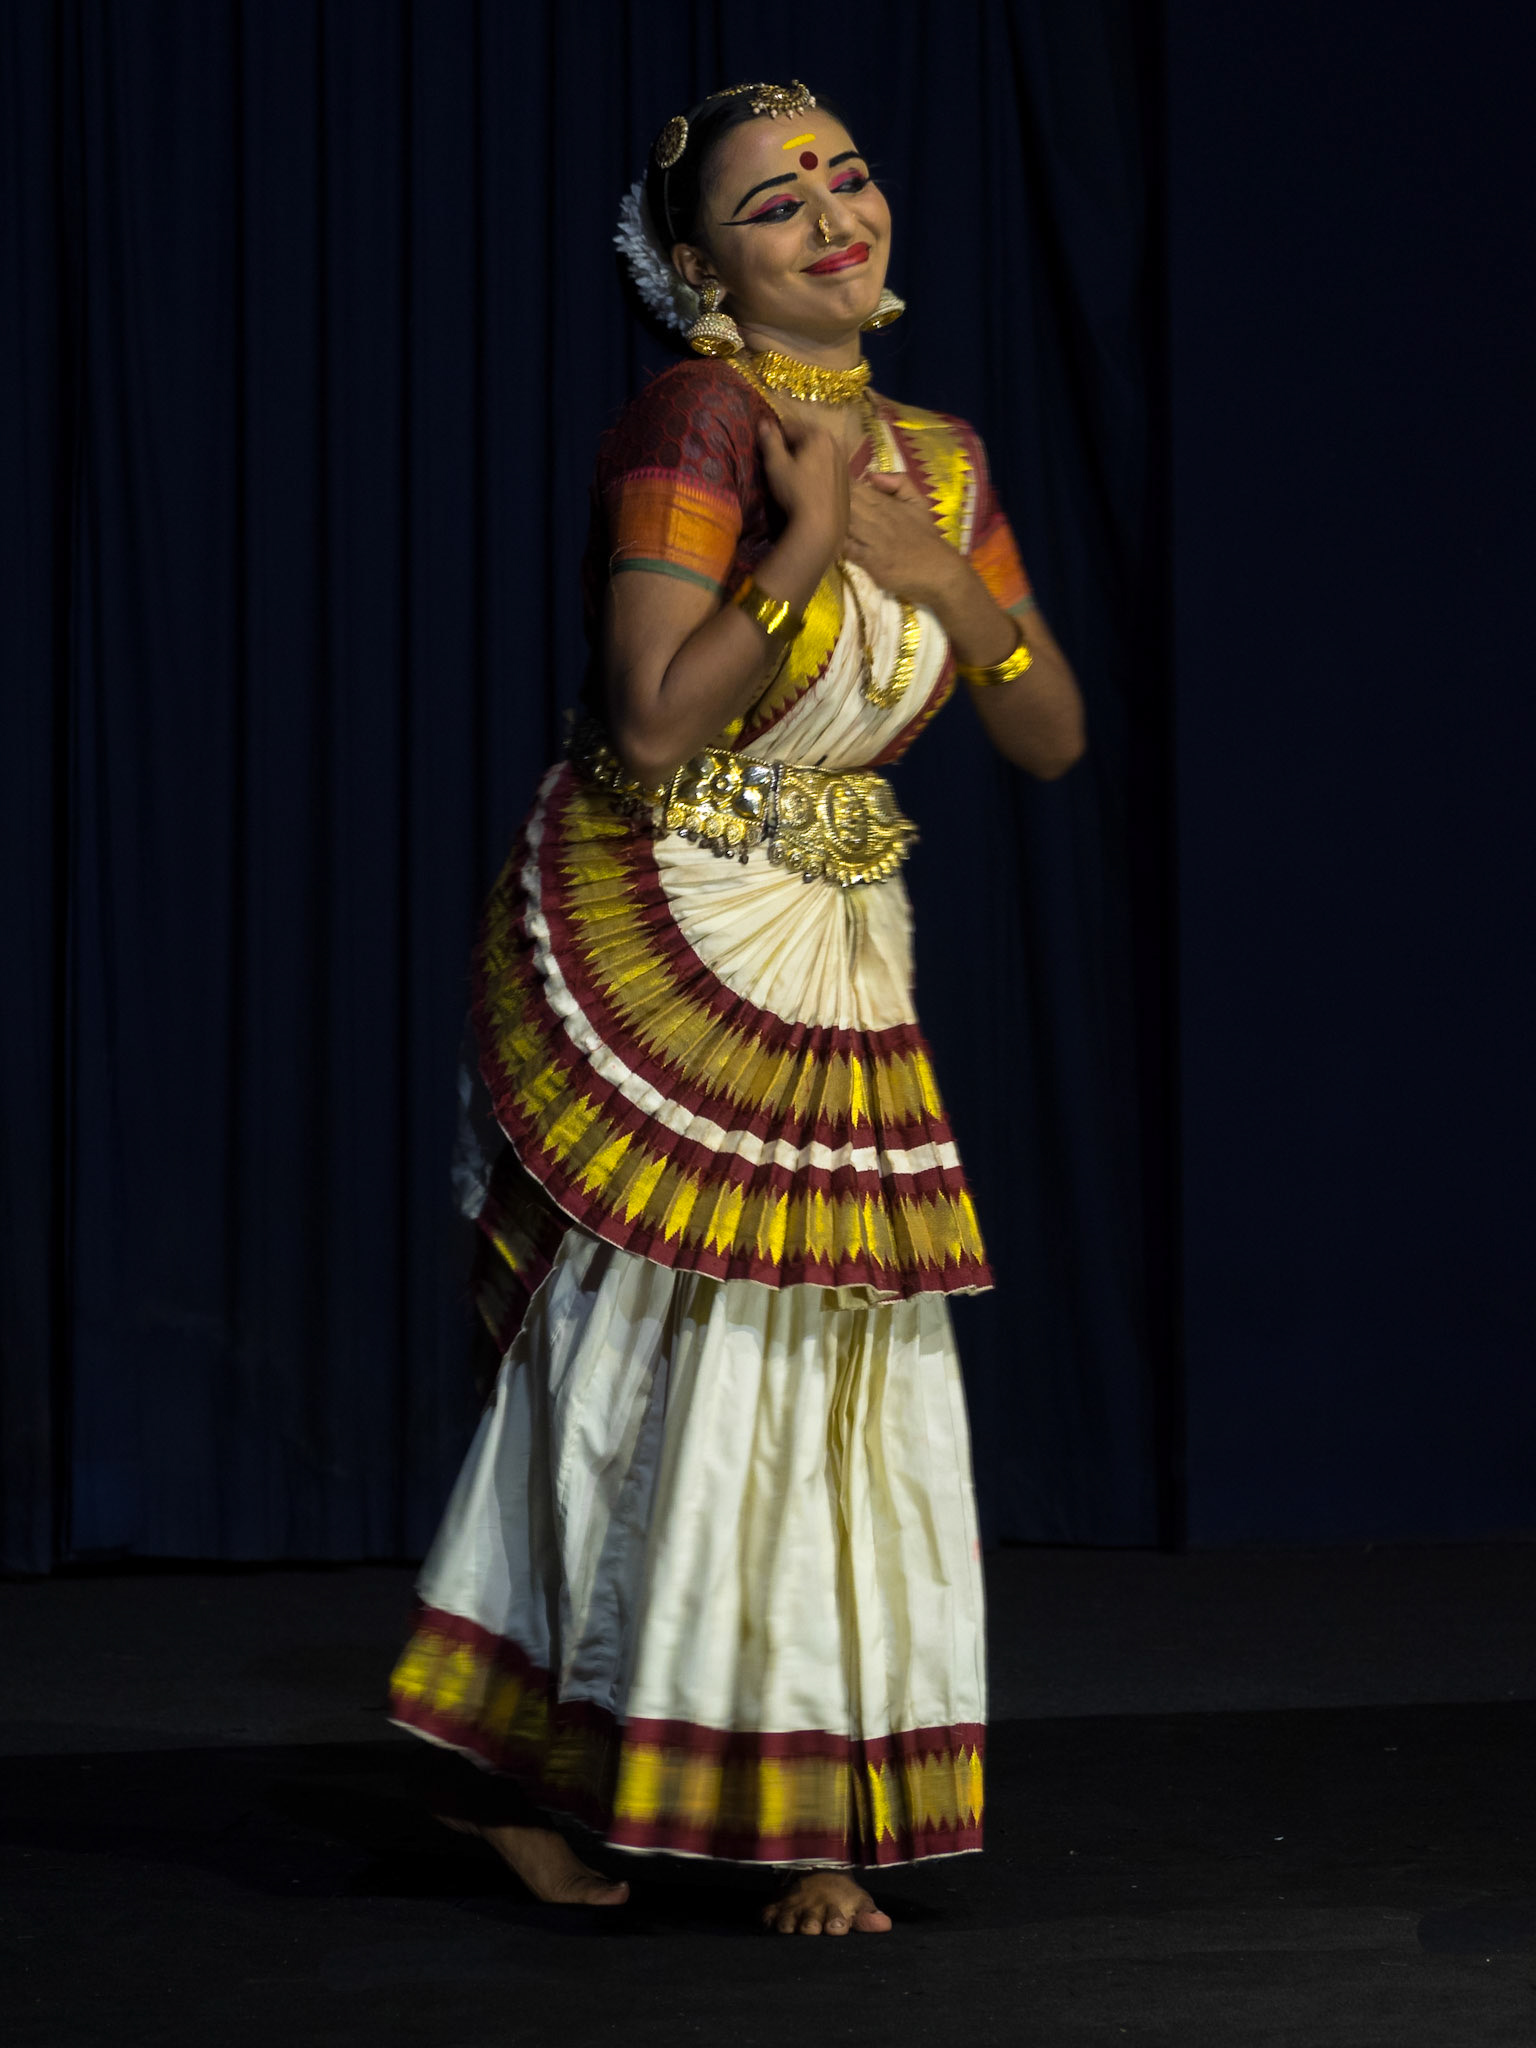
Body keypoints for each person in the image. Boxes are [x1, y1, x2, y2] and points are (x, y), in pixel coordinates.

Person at [388, 79, 1085, 1938]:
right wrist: (800, 542)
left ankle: (793, 1792)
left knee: (835, 1367)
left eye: (850, 175)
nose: (836, 216)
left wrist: (925, 564)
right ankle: (549, 1776)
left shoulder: (938, 456)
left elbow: (1049, 729)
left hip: (841, 936)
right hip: (669, 913)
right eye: (779, 205)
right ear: (702, 267)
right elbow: (652, 719)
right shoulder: (698, 416)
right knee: (656, 1369)